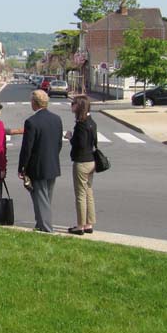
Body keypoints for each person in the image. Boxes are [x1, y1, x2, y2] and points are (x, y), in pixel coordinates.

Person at [17, 89, 63, 232]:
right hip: (52, 163)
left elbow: (27, 148)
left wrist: (22, 167)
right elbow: (59, 143)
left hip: (38, 166)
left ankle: (46, 228)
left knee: (41, 198)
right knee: (46, 198)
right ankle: (40, 223)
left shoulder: (31, 122)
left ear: (34, 103)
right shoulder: (57, 119)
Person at [65, 95, 96, 235]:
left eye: (74, 104)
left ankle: (80, 225)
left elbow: (80, 144)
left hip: (82, 161)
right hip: (91, 160)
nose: (72, 106)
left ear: (79, 106)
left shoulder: (81, 124)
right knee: (89, 192)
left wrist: (70, 137)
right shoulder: (91, 121)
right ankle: (89, 223)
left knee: (80, 195)